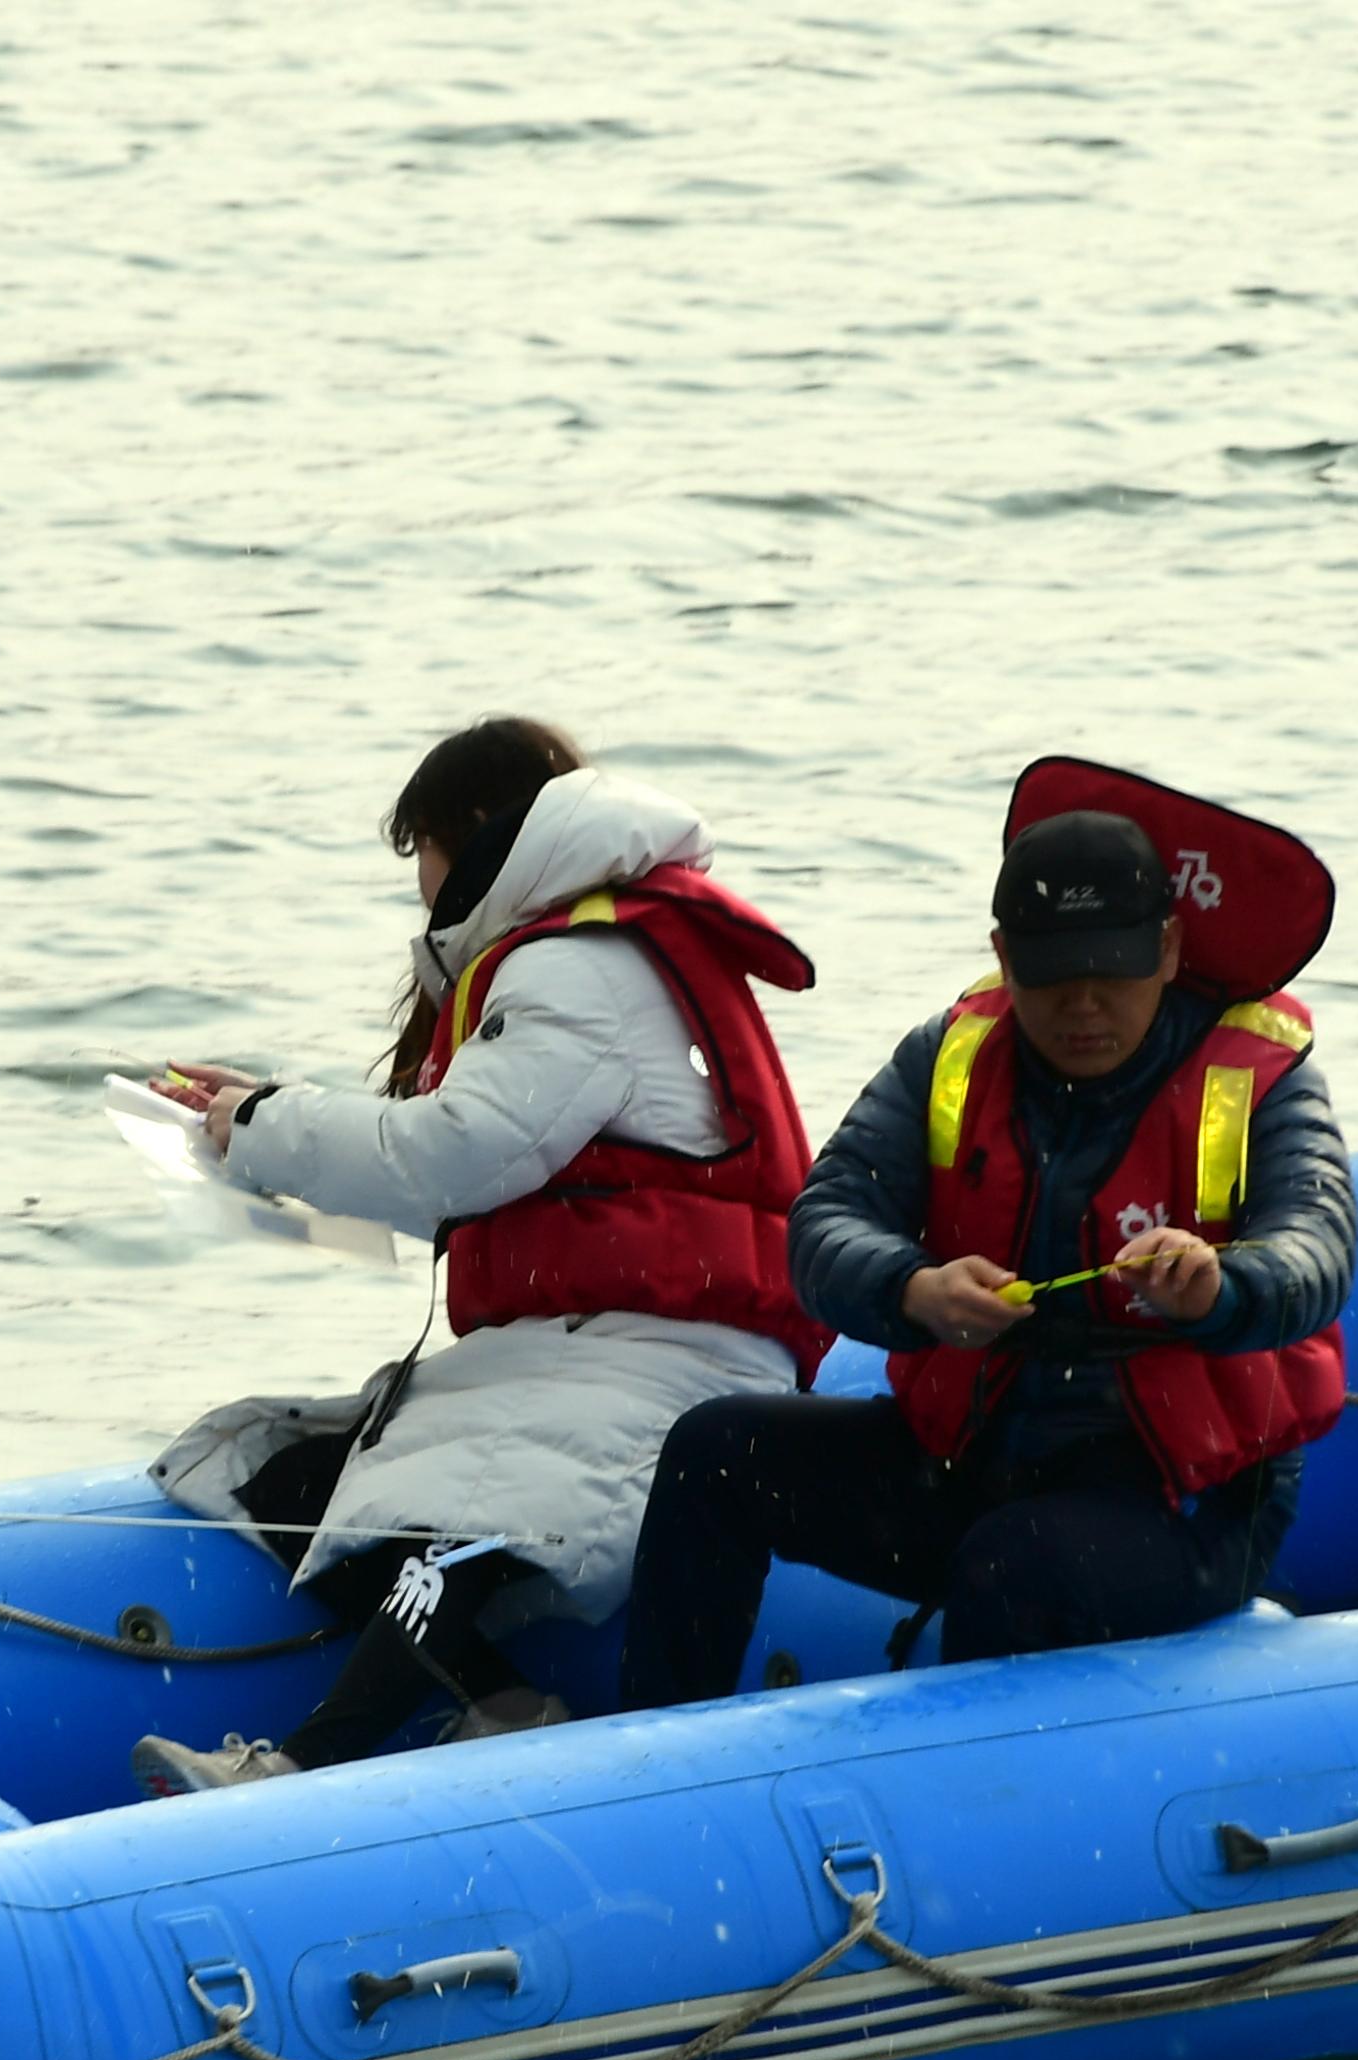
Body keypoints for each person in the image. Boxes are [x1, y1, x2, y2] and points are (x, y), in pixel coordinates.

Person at [127, 718, 833, 1794]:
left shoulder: (578, 969)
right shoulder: (580, 953)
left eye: (425, 855)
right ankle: (504, 1704)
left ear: (474, 837)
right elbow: (484, 1158)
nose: (422, 891)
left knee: (451, 1530)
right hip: (583, 1345)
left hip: (663, 1355)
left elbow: (451, 1157)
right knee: (278, 1474)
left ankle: (295, 1765)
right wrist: (258, 1126)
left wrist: (265, 1121)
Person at [615, 762, 1358, 1703]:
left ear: (1168, 950)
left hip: (1183, 1499)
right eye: (1053, 976)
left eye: (1112, 973)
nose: (1083, 1005)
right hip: (971, 1463)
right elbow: (825, 1220)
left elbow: (1318, 1244)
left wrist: (1221, 1286)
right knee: (717, 1450)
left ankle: (958, 1817)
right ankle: (656, 1753)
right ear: (1006, 957)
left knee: (1014, 1564)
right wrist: (913, 1290)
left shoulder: (1258, 1079)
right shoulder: (950, 1055)